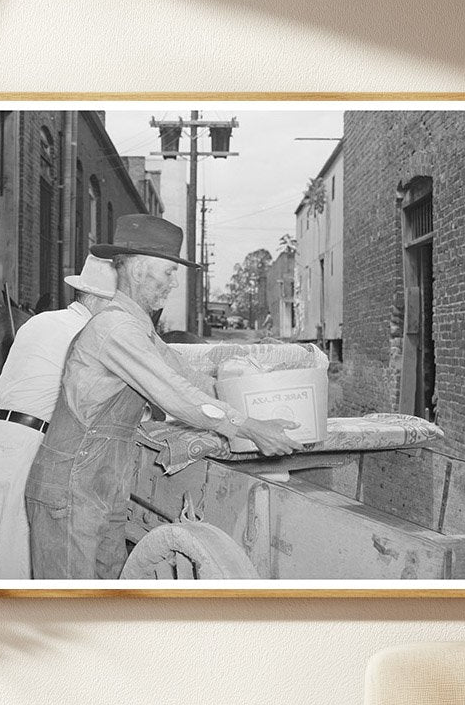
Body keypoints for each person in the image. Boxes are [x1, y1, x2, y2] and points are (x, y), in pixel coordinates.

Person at [25, 214, 297, 580]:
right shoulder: (115, 327)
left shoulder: (139, 329)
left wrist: (256, 398)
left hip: (100, 486)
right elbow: (175, 394)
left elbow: (187, 378)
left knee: (108, 594)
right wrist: (247, 426)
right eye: (169, 272)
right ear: (139, 269)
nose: (173, 283)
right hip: (71, 488)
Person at [0, 256, 116, 579]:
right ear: (98, 300)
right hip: (23, 450)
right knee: (16, 571)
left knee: (4, 556)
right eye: (115, 306)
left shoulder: (40, 322)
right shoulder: (87, 335)